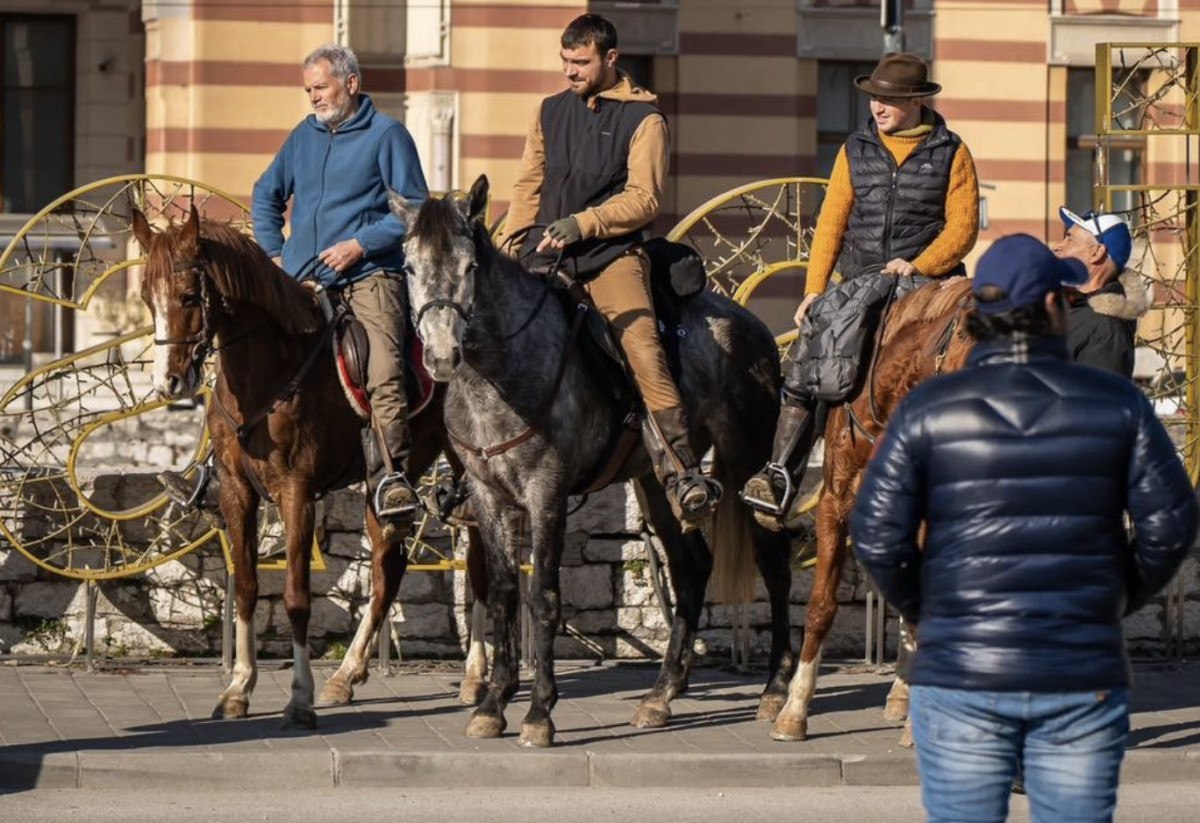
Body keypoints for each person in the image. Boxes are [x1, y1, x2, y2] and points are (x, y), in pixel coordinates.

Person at [850, 233, 1198, 823]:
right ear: (1056, 307)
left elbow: (877, 531)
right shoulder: (1116, 404)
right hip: (1079, 669)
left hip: (959, 671)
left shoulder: (929, 408)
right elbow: (1171, 525)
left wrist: (931, 610)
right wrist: (1110, 600)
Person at [493, 13, 720, 531]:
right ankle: (474, 470)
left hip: (611, 257)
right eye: (565, 61)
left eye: (581, 62)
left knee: (642, 349)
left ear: (610, 59)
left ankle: (683, 472)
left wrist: (583, 223)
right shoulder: (549, 111)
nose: (570, 71)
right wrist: (511, 241)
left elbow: (645, 199)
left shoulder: (646, 120)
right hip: (543, 254)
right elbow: (528, 184)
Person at [741, 51, 979, 525]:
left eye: (888, 100)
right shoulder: (855, 148)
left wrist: (915, 264)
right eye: (873, 99)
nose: (877, 107)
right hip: (859, 279)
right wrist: (814, 290)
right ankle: (779, 474)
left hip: (925, 281)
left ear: (914, 101)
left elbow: (963, 228)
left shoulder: (952, 151)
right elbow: (831, 223)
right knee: (816, 345)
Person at [251, 43, 430, 536]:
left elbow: (414, 209)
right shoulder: (301, 138)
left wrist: (360, 244)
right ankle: (209, 468)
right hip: (300, 279)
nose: (313, 97)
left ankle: (392, 477)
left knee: (385, 370)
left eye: (321, 87)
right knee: (246, 357)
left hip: (371, 277)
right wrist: (272, 255)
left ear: (351, 83)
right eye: (308, 89)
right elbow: (264, 195)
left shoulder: (388, 135)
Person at [1052, 206, 1148, 378]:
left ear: (1096, 252)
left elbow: (1099, 402)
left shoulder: (1106, 330)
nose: (1057, 246)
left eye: (1069, 239)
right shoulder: (1069, 309)